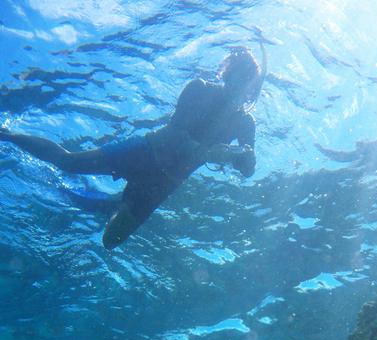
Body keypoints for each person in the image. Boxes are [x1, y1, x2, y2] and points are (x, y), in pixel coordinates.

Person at [0, 46, 263, 249]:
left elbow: (248, 171)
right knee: (69, 162)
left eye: (245, 83)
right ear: (227, 74)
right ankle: (8, 135)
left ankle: (114, 204)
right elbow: (175, 133)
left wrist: (245, 160)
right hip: (143, 153)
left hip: (165, 183)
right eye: (235, 79)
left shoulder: (244, 122)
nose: (237, 89)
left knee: (110, 241)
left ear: (252, 88)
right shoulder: (199, 89)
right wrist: (208, 154)